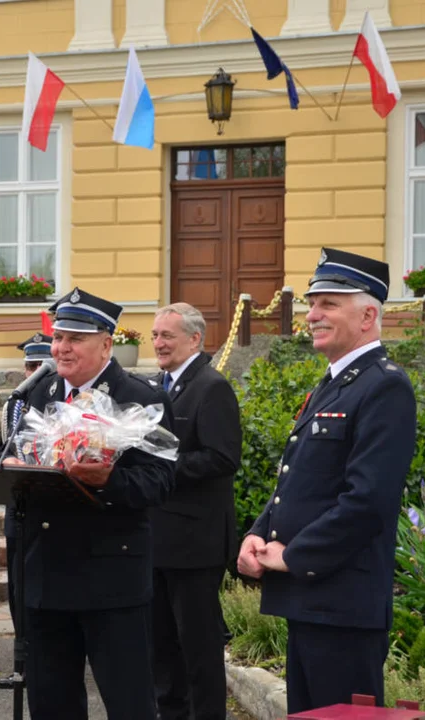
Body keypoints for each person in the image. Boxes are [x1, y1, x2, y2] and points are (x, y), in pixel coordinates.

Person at [236, 248, 417, 713]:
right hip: (312, 599)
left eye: (328, 304)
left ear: (368, 315)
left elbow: (368, 502)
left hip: (343, 604)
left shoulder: (383, 385)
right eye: (312, 304)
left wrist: (293, 556)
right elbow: (299, 481)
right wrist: (259, 533)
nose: (311, 315)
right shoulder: (334, 383)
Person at [16, 287, 176, 720]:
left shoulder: (141, 398)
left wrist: (109, 478)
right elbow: (10, 455)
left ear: (106, 343)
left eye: (75, 339)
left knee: (129, 703)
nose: (61, 348)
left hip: (111, 577)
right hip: (47, 572)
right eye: (58, 337)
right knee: (52, 703)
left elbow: (158, 482)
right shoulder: (38, 392)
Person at [149, 303, 240, 720]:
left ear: (194, 339)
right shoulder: (157, 386)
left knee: (198, 647)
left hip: (195, 542)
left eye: (167, 335)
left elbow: (222, 458)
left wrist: (162, 467)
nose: (158, 343)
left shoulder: (211, 386)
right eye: (155, 335)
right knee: (161, 644)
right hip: (157, 538)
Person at [0, 332, 51, 691]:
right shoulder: (16, 405)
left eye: (39, 366)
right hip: (19, 510)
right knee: (18, 589)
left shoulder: (58, 400)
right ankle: (22, 662)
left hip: (52, 508)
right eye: (29, 365)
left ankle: (47, 661)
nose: (32, 373)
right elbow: (1, 449)